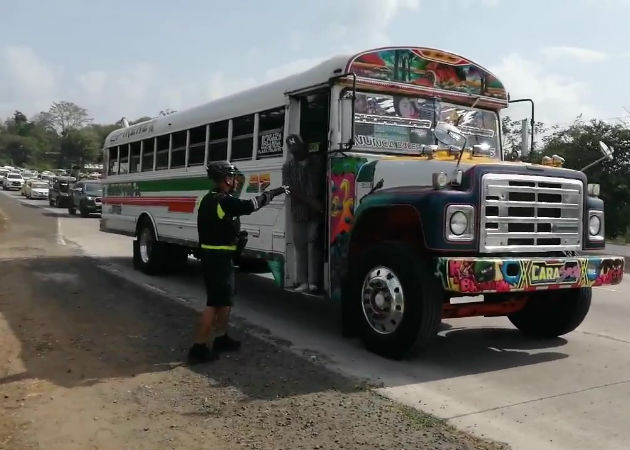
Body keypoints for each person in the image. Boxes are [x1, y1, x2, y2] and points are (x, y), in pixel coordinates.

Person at [188, 161, 288, 364]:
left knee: (224, 301)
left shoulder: (209, 199)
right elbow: (251, 206)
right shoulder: (223, 201)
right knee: (214, 303)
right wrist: (276, 191)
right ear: (226, 179)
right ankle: (198, 348)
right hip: (217, 260)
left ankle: (221, 338)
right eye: (232, 178)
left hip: (217, 257)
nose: (235, 182)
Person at [282, 134, 324, 294]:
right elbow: (287, 188)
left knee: (313, 244)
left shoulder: (317, 162)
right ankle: (303, 281)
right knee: (300, 246)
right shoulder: (288, 167)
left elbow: (319, 184)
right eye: (293, 151)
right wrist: (310, 200)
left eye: (298, 149)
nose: (296, 153)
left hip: (314, 210)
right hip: (300, 210)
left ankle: (313, 281)